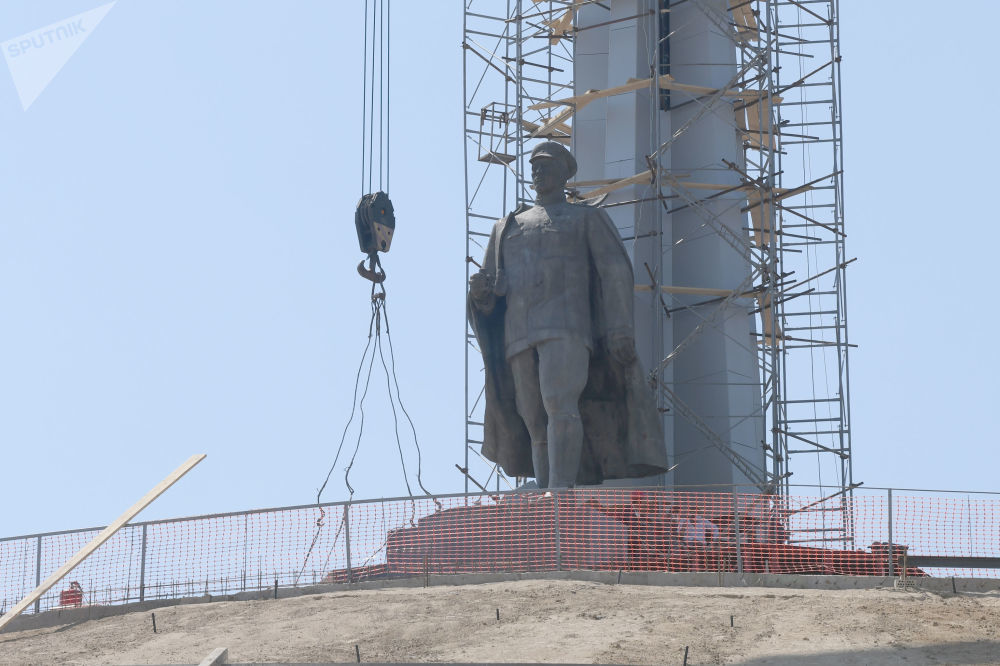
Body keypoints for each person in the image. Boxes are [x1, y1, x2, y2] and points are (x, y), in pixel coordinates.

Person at [468, 141, 668, 488]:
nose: (538, 171)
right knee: (532, 417)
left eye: (545, 165)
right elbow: (491, 289)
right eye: (534, 165)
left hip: (567, 327)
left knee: (559, 403)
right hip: (518, 333)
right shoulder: (507, 227)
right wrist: (480, 295)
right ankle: (546, 486)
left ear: (564, 172)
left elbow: (615, 271)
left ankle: (559, 490)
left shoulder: (585, 218)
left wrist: (620, 328)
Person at [587, 491, 676, 570]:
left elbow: (640, 520)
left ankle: (634, 564)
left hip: (632, 539)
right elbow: (631, 523)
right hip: (626, 538)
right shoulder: (626, 509)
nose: (646, 502)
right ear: (639, 501)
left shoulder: (638, 511)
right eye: (645, 500)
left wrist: (649, 522)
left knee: (640, 546)